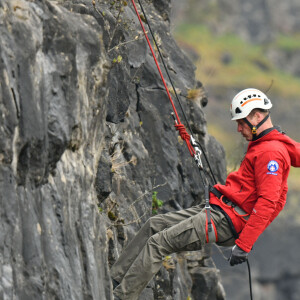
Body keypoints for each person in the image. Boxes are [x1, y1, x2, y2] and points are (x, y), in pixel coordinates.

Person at [111, 88, 300, 300]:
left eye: (241, 122)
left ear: (257, 116)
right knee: (154, 225)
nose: (238, 129)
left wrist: (243, 245)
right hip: (222, 210)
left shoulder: (270, 153)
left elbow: (267, 202)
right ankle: (115, 280)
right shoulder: (266, 145)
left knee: (158, 243)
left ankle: (121, 297)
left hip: (227, 221)